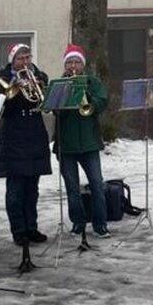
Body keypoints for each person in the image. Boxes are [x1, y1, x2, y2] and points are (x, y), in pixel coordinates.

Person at [0, 41, 52, 246]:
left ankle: (32, 227)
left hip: (35, 134)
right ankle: (18, 230)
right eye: (21, 58)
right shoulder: (2, 80)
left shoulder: (40, 76)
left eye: (28, 57)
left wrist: (40, 84)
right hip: (13, 137)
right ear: (13, 61)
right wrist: (15, 91)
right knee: (15, 190)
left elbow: (45, 103)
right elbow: (2, 109)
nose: (25, 62)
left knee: (32, 189)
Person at [54, 43, 110, 239]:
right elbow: (54, 110)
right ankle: (78, 223)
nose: (73, 66)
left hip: (89, 142)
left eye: (77, 61)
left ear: (83, 64)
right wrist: (66, 99)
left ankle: (100, 224)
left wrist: (89, 99)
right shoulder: (59, 84)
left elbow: (102, 101)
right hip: (66, 143)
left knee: (97, 184)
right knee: (72, 188)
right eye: (69, 62)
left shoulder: (92, 82)